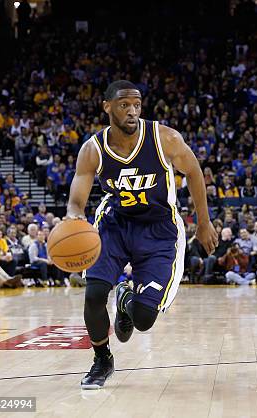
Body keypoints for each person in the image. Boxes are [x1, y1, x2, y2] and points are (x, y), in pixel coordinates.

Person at [66, 80, 217, 389]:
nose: (132, 111)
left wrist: (203, 222)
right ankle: (101, 359)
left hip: (159, 230)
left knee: (144, 319)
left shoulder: (165, 138)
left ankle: (126, 300)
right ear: (107, 107)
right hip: (115, 225)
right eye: (124, 105)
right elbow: (76, 201)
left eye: (136, 105)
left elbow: (194, 171)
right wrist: (73, 221)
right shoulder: (93, 149)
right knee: (94, 295)